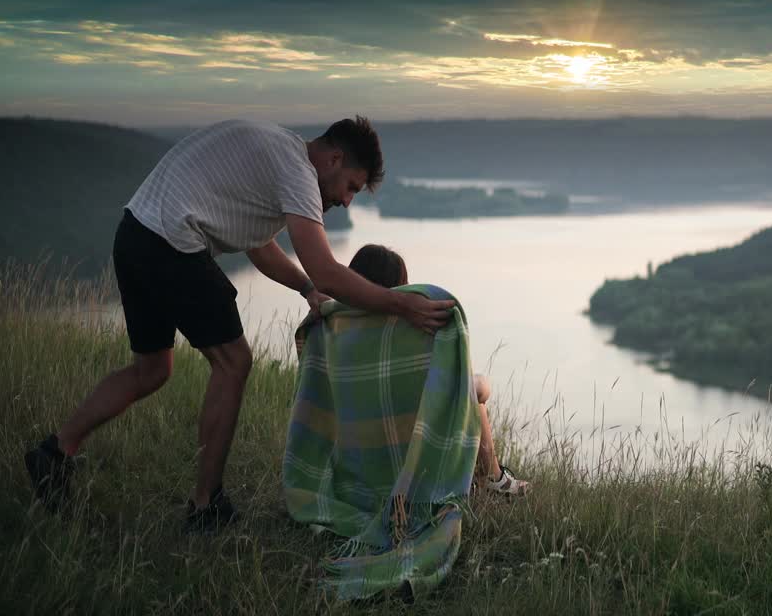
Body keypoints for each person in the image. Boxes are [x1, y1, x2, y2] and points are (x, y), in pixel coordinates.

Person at [24, 117, 457, 531]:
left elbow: (260, 247)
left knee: (152, 368)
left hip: (135, 233)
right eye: (351, 188)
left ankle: (55, 451)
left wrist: (306, 289)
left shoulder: (277, 156)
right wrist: (399, 306)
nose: (346, 201)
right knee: (234, 362)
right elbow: (326, 268)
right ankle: (206, 506)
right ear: (334, 159)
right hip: (172, 242)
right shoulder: (298, 171)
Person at [343, 244, 530, 496]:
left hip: (354, 447)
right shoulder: (406, 333)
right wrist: (480, 385)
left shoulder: (337, 330)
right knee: (474, 390)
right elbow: (467, 389)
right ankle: (494, 479)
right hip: (408, 437)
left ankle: (492, 479)